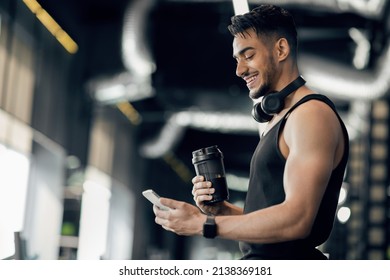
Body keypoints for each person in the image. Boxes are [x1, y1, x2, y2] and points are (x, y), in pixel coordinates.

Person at [152, 4, 349, 260]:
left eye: (248, 55)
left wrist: (203, 225)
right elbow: (274, 223)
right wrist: (220, 212)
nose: (239, 70)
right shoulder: (281, 119)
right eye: (237, 59)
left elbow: (297, 221)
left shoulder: (310, 115)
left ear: (281, 49)